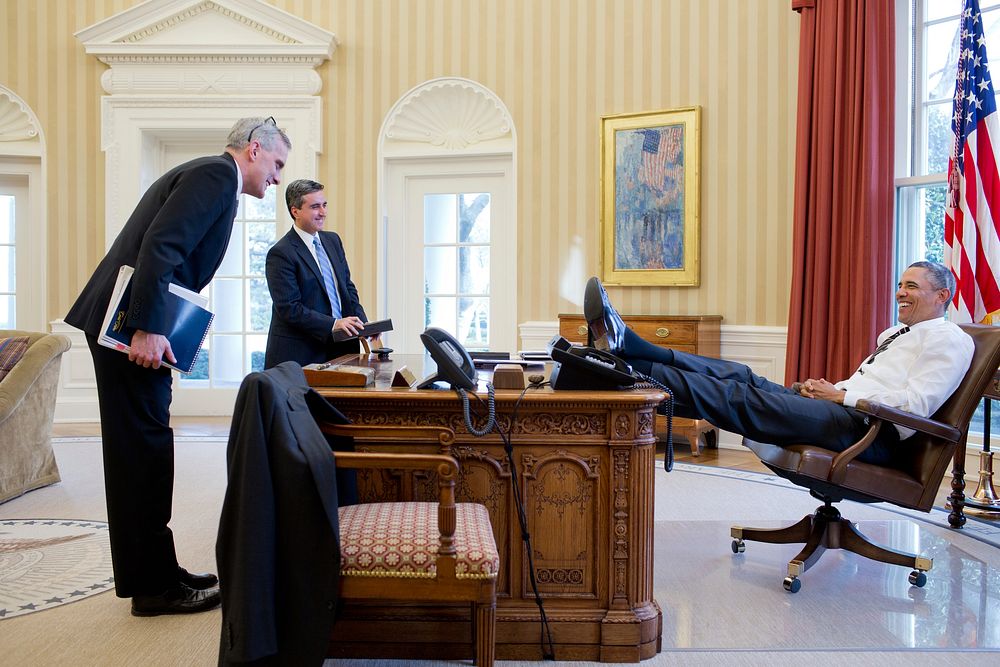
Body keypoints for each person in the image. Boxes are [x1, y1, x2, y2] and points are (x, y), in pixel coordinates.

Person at [64, 116, 291, 616]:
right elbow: (160, 248)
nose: (277, 178)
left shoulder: (211, 177)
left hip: (128, 325)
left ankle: (159, 571)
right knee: (140, 454)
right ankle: (153, 588)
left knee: (144, 449)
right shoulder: (214, 175)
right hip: (127, 331)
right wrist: (146, 328)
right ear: (254, 149)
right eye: (276, 164)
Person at [583, 261, 974, 465]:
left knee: (738, 396)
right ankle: (635, 352)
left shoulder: (949, 339)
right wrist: (826, 391)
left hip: (871, 434)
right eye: (900, 284)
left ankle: (630, 370)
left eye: (912, 287)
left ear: (941, 296)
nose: (900, 293)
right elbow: (870, 384)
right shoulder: (894, 334)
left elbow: (917, 406)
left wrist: (840, 397)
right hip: (843, 414)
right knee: (742, 375)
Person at [263, 178, 373, 368]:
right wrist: (333, 324)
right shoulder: (281, 253)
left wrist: (363, 325)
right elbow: (289, 308)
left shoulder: (333, 241)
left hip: (342, 349)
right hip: (301, 355)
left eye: (324, 205)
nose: (323, 212)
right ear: (295, 211)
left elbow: (346, 288)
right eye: (315, 207)